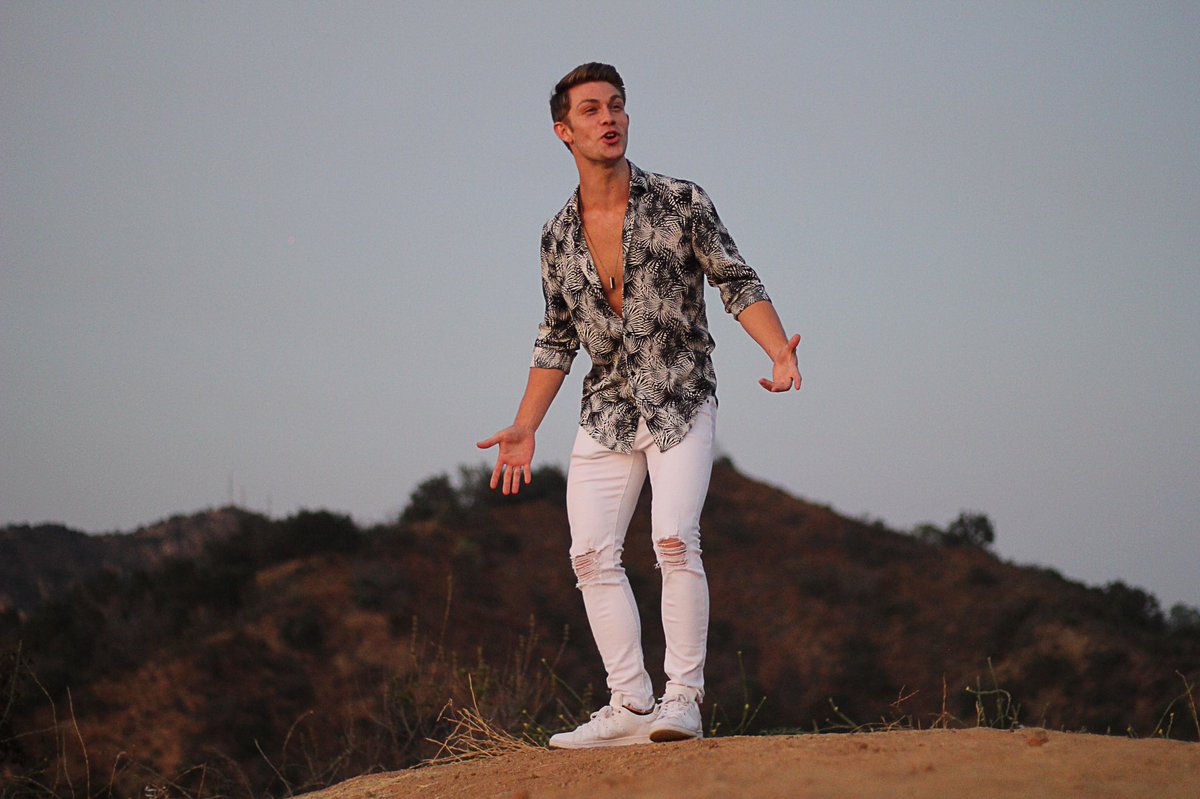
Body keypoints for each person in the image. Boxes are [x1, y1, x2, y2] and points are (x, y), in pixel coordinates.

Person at [477, 62, 801, 749]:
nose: (609, 118)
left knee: (674, 539)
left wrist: (778, 350)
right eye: (592, 109)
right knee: (591, 555)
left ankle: (683, 699)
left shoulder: (681, 201)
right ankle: (629, 703)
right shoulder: (557, 234)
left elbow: (736, 280)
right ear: (563, 131)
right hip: (607, 410)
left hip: (681, 394)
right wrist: (525, 426)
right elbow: (556, 336)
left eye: (617, 105)